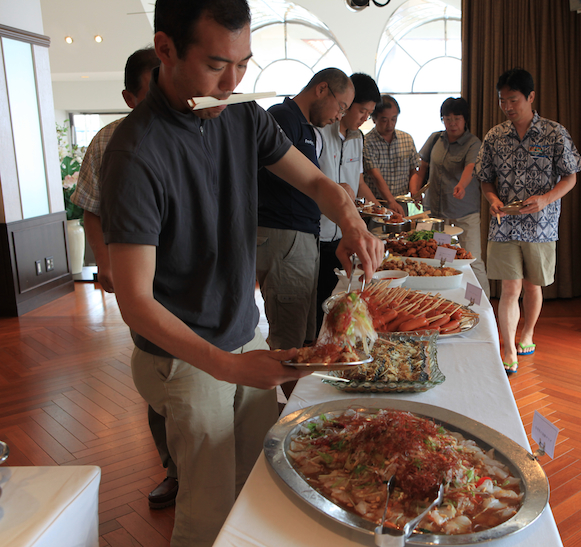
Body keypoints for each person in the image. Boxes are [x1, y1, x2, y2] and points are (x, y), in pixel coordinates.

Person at [98, 1, 383, 545]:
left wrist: (350, 220)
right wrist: (229, 366)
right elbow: (134, 301)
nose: (232, 83)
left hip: (240, 332)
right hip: (184, 356)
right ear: (165, 50)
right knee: (206, 514)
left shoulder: (240, 113)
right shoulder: (136, 153)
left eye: (244, 64)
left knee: (260, 483)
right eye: (215, 65)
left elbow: (316, 182)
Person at [71, 47, 179, 510]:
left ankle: (212, 459)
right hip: (142, 280)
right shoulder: (110, 140)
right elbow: (90, 207)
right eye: (151, 92)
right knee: (157, 370)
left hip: (192, 277)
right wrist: (104, 260)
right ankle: (174, 468)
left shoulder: (191, 130)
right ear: (129, 97)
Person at [475, 68, 581, 374]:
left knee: (533, 287)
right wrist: (492, 200)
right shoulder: (495, 136)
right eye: (502, 100)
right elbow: (485, 179)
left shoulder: (554, 133)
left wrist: (546, 199)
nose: (507, 106)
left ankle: (527, 333)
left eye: (513, 100)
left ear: (531, 97)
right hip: (504, 225)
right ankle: (508, 348)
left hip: (541, 225)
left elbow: (571, 177)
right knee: (510, 288)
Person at [256, 68, 354, 358]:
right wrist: (332, 191)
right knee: (289, 343)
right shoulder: (283, 117)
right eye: (341, 107)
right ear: (322, 89)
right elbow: (283, 176)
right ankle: (288, 388)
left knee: (304, 337)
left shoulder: (306, 127)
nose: (339, 116)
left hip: (300, 236)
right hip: (285, 234)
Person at [316, 73, 382, 331]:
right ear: (347, 104)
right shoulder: (321, 132)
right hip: (320, 230)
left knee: (341, 300)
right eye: (362, 111)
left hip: (346, 234)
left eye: (369, 114)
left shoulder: (358, 138)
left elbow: (359, 182)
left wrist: (378, 207)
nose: (365, 118)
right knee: (318, 302)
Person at [410, 97, 490, 296]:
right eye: (447, 119)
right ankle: (445, 298)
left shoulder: (473, 143)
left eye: (457, 118)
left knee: (472, 259)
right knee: (440, 256)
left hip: (464, 212)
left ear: (465, 119)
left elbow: (470, 167)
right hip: (437, 214)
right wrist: (416, 190)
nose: (452, 123)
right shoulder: (435, 139)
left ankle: (480, 303)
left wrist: (461, 186)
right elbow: (423, 167)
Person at [363, 94, 419, 214]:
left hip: (401, 201)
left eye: (394, 119)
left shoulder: (407, 139)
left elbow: (413, 169)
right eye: (384, 120)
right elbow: (375, 175)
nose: (390, 124)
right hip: (375, 203)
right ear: (374, 119)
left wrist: (414, 191)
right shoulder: (366, 142)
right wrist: (391, 201)